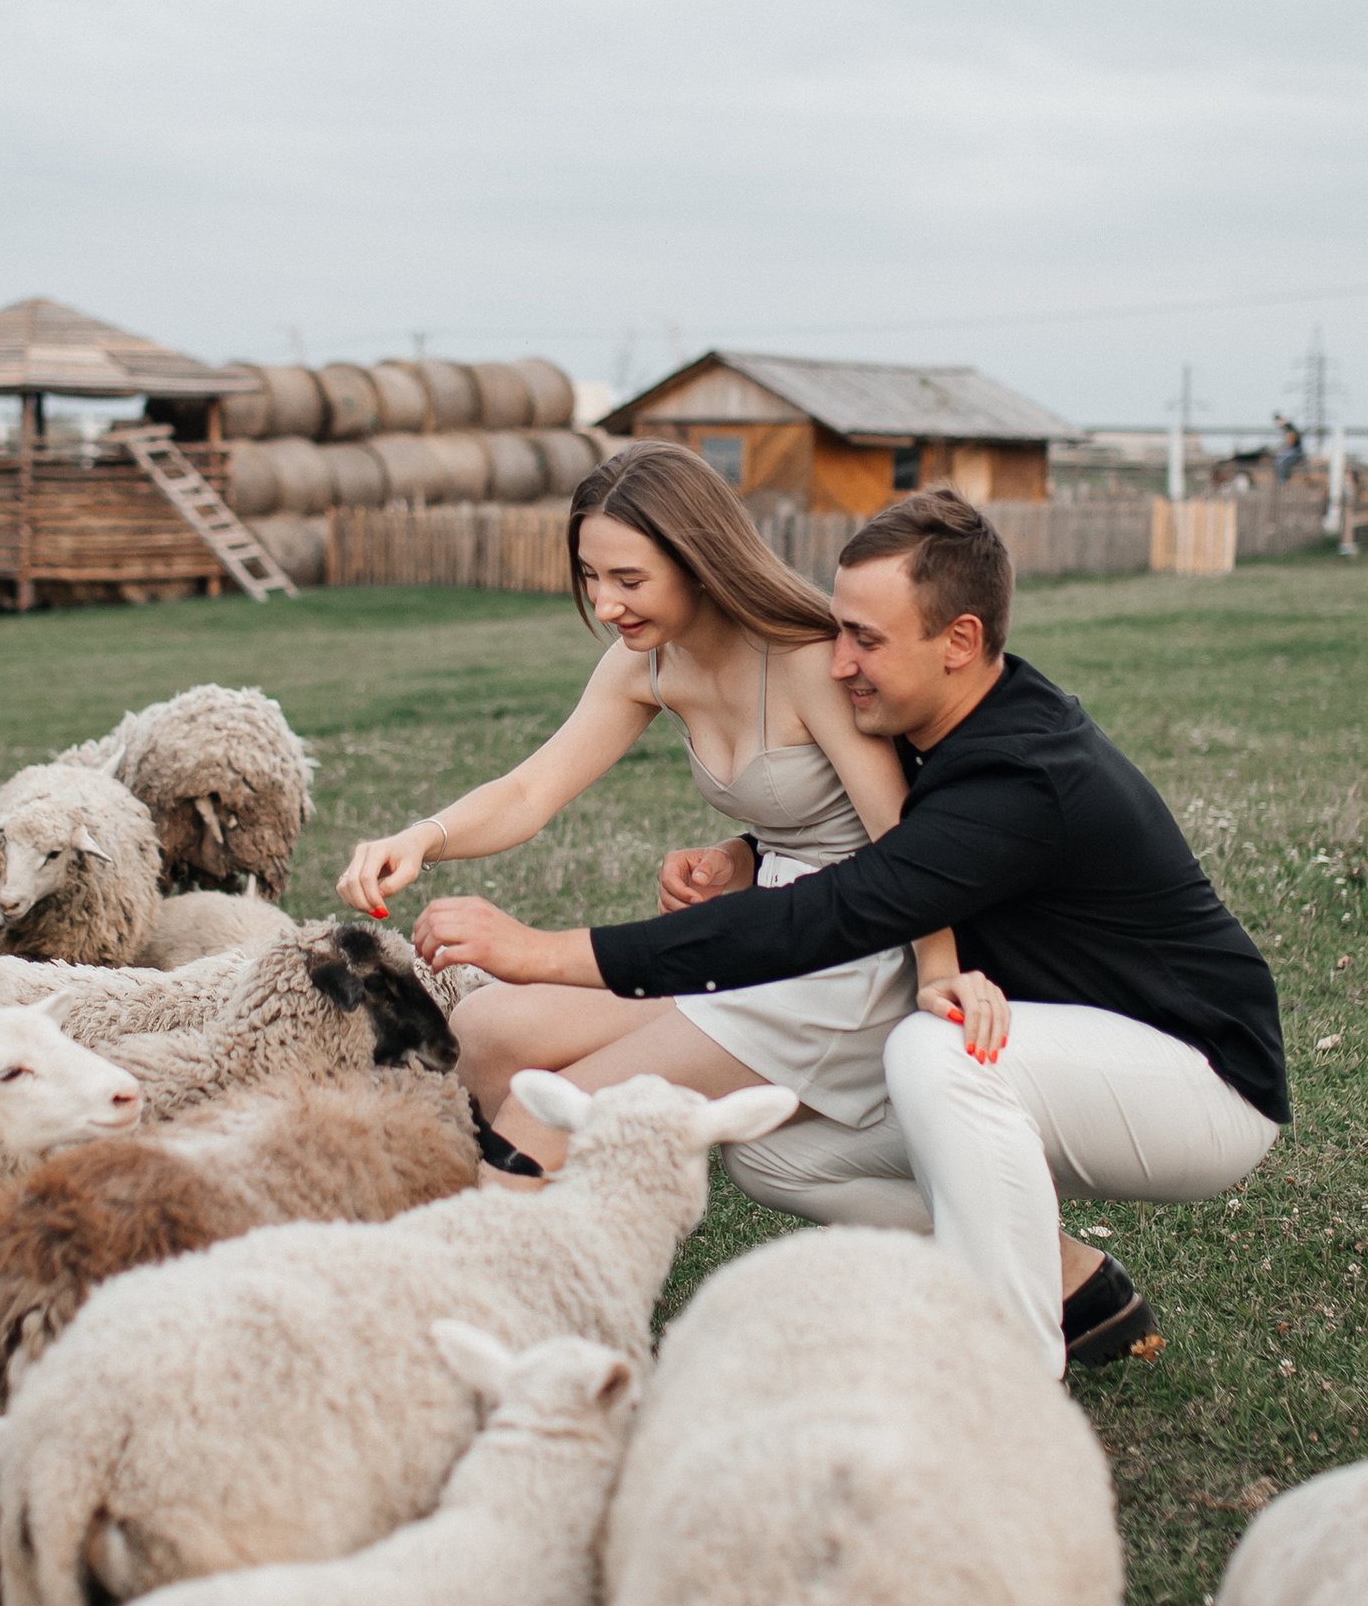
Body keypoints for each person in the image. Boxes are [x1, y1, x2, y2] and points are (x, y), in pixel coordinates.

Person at [410, 486, 1289, 1381]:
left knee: (933, 1056)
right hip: (1046, 1023)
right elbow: (848, 842)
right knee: (776, 1158)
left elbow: (835, 910)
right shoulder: (961, 721)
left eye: (865, 640)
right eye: (839, 629)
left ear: (960, 643)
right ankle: (1072, 1288)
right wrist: (750, 850)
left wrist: (550, 953)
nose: (835, 663)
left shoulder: (1017, 778)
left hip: (1199, 1070)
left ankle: (1005, 1381)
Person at [336, 442, 1006, 1171]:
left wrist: (940, 972)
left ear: (700, 560)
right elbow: (530, 791)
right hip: (747, 938)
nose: (604, 603)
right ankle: (568, 1237)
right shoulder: (645, 661)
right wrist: (422, 838)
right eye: (591, 576)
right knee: (485, 1030)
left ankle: (505, 1256)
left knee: (544, 1111)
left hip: (844, 964)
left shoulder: (810, 660)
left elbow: (903, 844)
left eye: (629, 578)